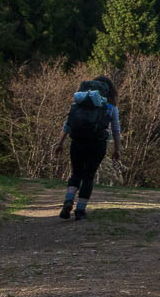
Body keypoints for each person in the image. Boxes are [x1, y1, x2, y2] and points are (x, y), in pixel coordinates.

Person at [52, 76, 121, 221]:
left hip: (77, 141)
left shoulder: (79, 104)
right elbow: (115, 129)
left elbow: (68, 124)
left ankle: (68, 200)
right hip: (98, 143)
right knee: (88, 176)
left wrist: (60, 143)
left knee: (76, 173)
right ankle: (80, 210)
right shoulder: (111, 107)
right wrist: (117, 149)